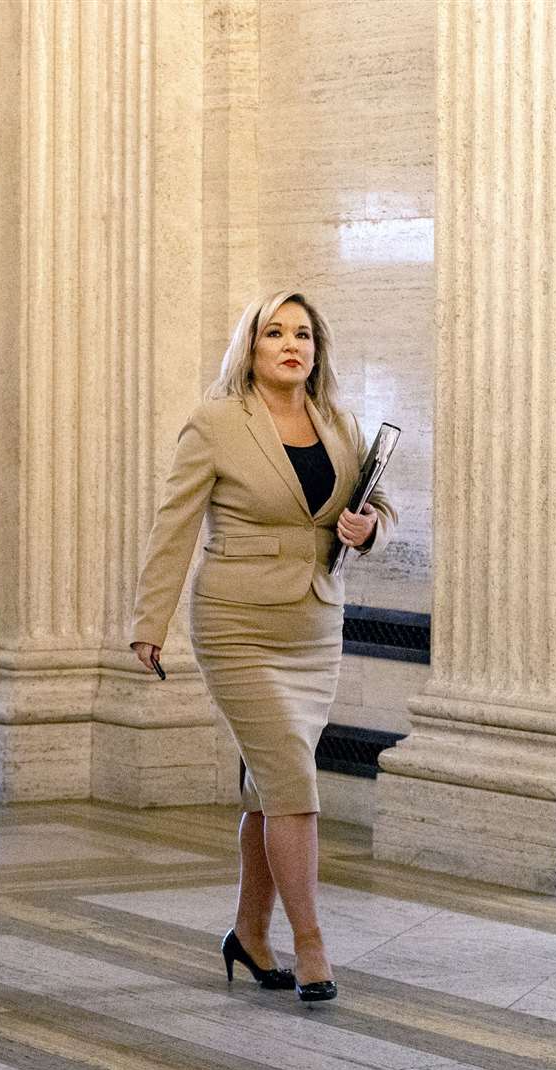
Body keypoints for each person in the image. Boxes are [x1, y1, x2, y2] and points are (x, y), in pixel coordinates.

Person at [129, 289, 395, 1004]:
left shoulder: (338, 422)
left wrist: (370, 532)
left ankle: (249, 935)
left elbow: (376, 509)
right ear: (250, 346)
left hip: (313, 628)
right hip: (236, 623)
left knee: (270, 787)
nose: (291, 345)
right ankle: (311, 948)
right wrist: (148, 622)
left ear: (317, 348)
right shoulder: (215, 423)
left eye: (303, 334)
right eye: (275, 332)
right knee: (294, 787)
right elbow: (173, 526)